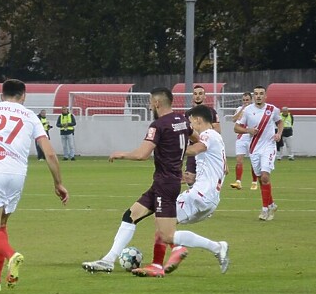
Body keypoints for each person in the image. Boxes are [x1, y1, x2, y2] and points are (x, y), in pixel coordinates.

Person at [82, 88, 228, 278]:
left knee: (166, 233)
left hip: (166, 184)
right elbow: (195, 139)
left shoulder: (158, 125)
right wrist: (177, 155)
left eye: (150, 102)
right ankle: (108, 260)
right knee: (131, 215)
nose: (150, 105)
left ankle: (211, 248)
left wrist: (122, 154)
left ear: (157, 103)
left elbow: (143, 154)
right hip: (165, 181)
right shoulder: (182, 121)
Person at [0, 79, 69, 292]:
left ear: (2, 95)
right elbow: (49, 153)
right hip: (18, 174)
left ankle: (12, 255)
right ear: (24, 96)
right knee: (1, 226)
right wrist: (58, 183)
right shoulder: (31, 116)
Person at [163, 104, 231, 275]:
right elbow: (225, 169)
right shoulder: (218, 139)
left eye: (191, 122)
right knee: (167, 228)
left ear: (198, 120)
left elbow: (198, 148)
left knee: (163, 221)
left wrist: (172, 150)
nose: (190, 126)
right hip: (210, 199)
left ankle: (160, 263)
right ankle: (216, 247)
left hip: (200, 194)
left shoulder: (208, 134)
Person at [234, 85, 283, 221]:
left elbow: (280, 122)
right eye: (256, 94)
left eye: (261, 93)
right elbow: (236, 128)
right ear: (253, 96)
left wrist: (278, 134)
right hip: (254, 148)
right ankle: (272, 204)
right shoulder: (247, 111)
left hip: (269, 146)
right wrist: (248, 130)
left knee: (265, 176)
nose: (259, 96)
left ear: (265, 96)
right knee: (261, 179)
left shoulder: (272, 109)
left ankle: (264, 209)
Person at [184, 84, 220, 186]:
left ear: (205, 96)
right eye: (195, 94)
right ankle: (194, 197)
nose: (198, 96)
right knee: (190, 178)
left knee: (206, 177)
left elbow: (217, 129)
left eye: (200, 93)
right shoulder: (188, 113)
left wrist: (203, 133)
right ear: (193, 96)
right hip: (194, 147)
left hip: (207, 149)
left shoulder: (211, 112)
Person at [230, 92, 258, 191]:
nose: (246, 102)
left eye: (247, 100)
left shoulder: (255, 110)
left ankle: (254, 182)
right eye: (244, 100)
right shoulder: (239, 109)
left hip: (251, 137)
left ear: (251, 100)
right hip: (241, 137)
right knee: (239, 160)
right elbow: (233, 119)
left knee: (253, 161)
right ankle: (238, 182)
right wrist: (242, 109)